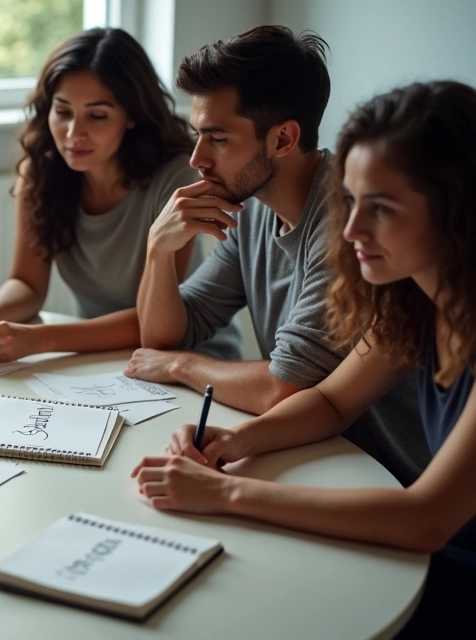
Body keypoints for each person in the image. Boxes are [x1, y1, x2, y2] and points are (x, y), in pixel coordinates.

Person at [132, 80, 476, 639]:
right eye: (352, 201)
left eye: (382, 209)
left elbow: (425, 521)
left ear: (457, 211)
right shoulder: (412, 299)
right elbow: (333, 399)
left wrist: (227, 493)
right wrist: (236, 442)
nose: (353, 229)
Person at [130, 26, 427, 485]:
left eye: (218, 138)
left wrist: (178, 366)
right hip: (331, 461)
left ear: (283, 139)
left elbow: (282, 386)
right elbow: (169, 334)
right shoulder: (250, 211)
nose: (197, 158)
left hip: (394, 477)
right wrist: (158, 249)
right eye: (197, 136)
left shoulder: (350, 230)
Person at [0, 28, 242, 363]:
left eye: (96, 116)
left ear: (131, 115)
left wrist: (39, 339)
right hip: (97, 359)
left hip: (188, 356)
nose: (73, 134)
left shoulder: (177, 176)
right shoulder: (40, 172)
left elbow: (159, 322)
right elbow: (27, 284)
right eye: (63, 111)